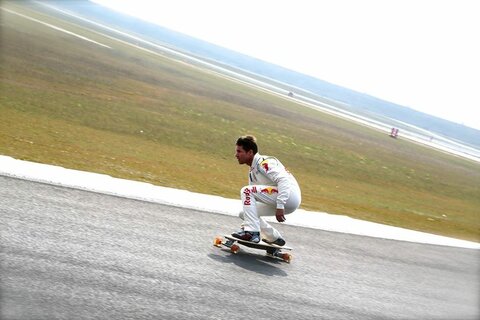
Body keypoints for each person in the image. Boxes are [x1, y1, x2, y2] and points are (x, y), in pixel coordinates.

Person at [232, 135, 301, 245]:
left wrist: (280, 205)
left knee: (246, 191)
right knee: (245, 213)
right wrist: (248, 222)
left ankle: (252, 233)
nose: (236, 155)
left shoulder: (263, 163)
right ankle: (273, 237)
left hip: (289, 196)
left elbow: (284, 180)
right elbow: (252, 202)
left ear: (250, 152)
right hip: (280, 198)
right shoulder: (252, 172)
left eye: (239, 151)